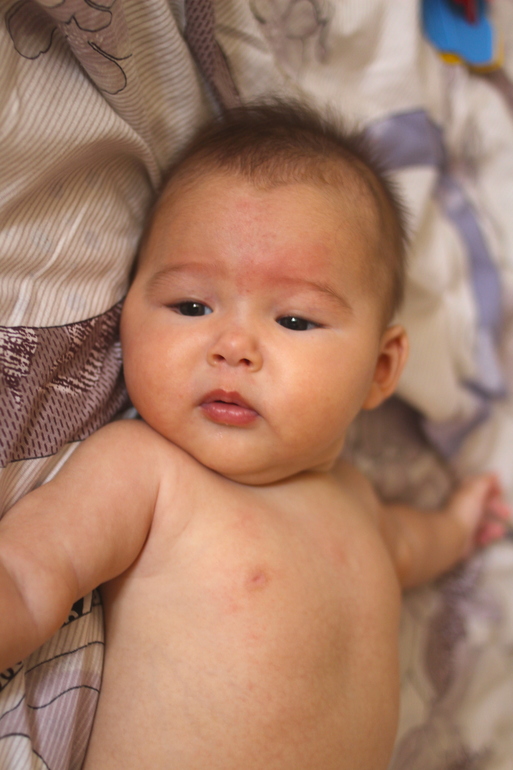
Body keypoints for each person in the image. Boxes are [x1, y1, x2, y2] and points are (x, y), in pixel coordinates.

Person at [0, 102, 509, 770]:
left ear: (381, 369)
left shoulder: (359, 501)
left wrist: (459, 524)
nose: (232, 346)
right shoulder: (145, 472)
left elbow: (412, 547)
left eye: (295, 320)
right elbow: (25, 577)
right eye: (191, 306)